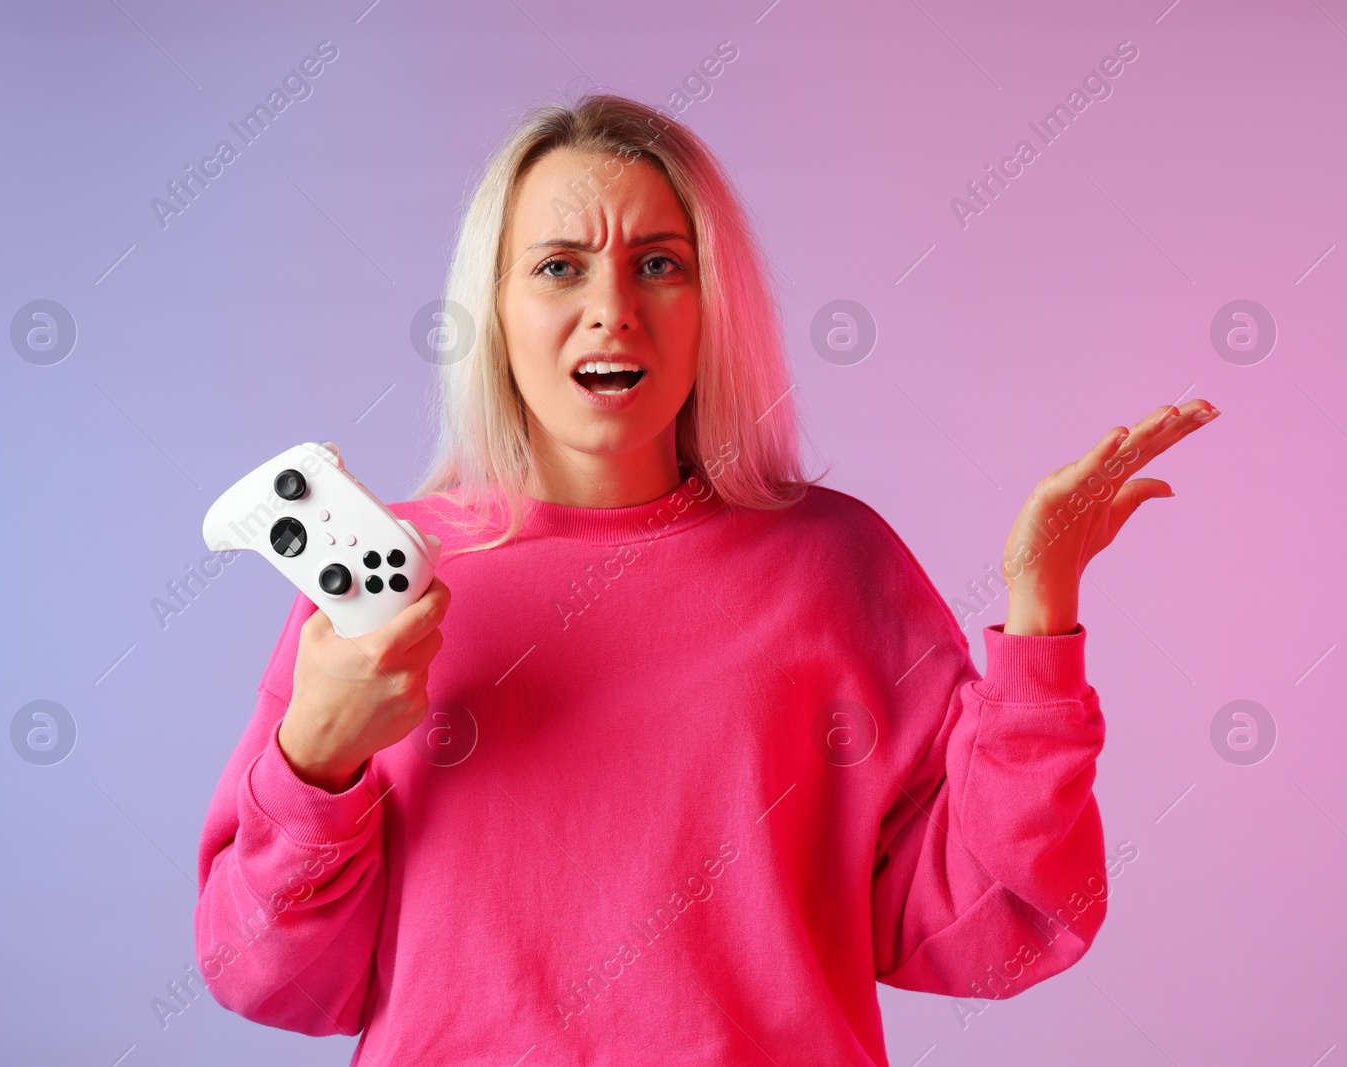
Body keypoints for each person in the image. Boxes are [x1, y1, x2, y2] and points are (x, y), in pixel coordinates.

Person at [193, 92, 1218, 1064]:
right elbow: (269, 976)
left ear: (712, 304)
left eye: (660, 264)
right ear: (493, 309)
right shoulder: (384, 600)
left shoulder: (833, 564)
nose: (611, 309)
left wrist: (1039, 627)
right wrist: (313, 764)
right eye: (558, 266)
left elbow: (1002, 926)